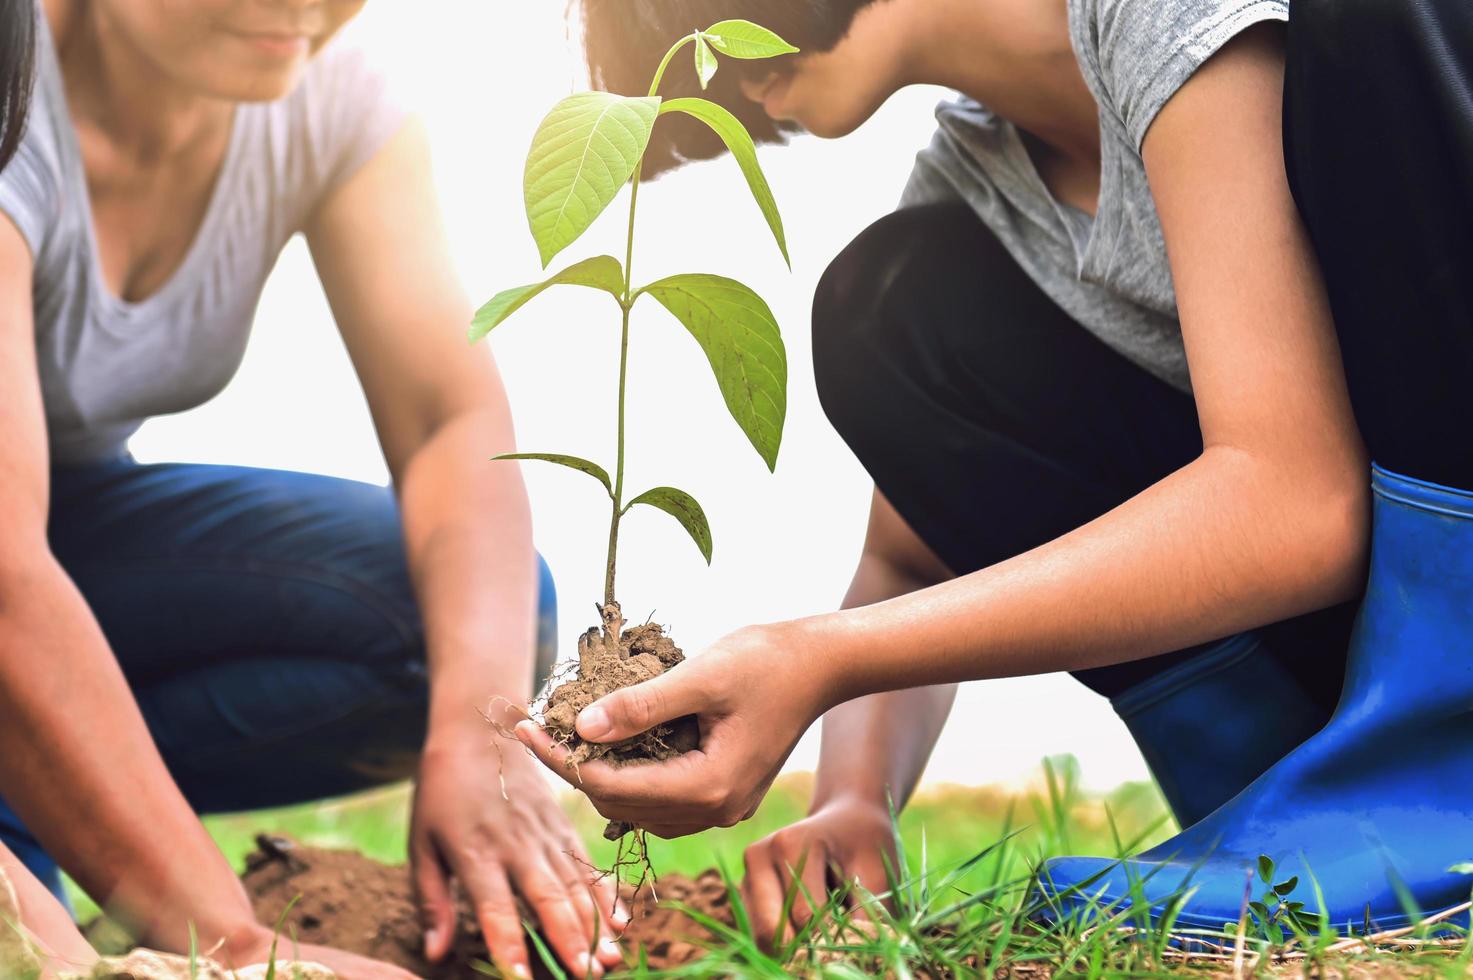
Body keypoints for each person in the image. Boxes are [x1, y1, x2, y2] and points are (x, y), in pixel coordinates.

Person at [522, 0, 1473, 942]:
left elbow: (1298, 503)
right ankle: (1296, 788)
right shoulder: (977, 190)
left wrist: (821, 657)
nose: (743, 81)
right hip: (1348, 654)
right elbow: (908, 565)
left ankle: (1427, 784)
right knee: (893, 311)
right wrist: (856, 800)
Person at [0, 2, 622, 977]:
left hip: (64, 533)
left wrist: (480, 731)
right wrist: (241, 946)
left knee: (461, 621)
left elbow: (445, 421)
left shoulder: (326, 82)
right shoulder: (13, 84)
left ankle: (54, 800)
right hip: (10, 563)